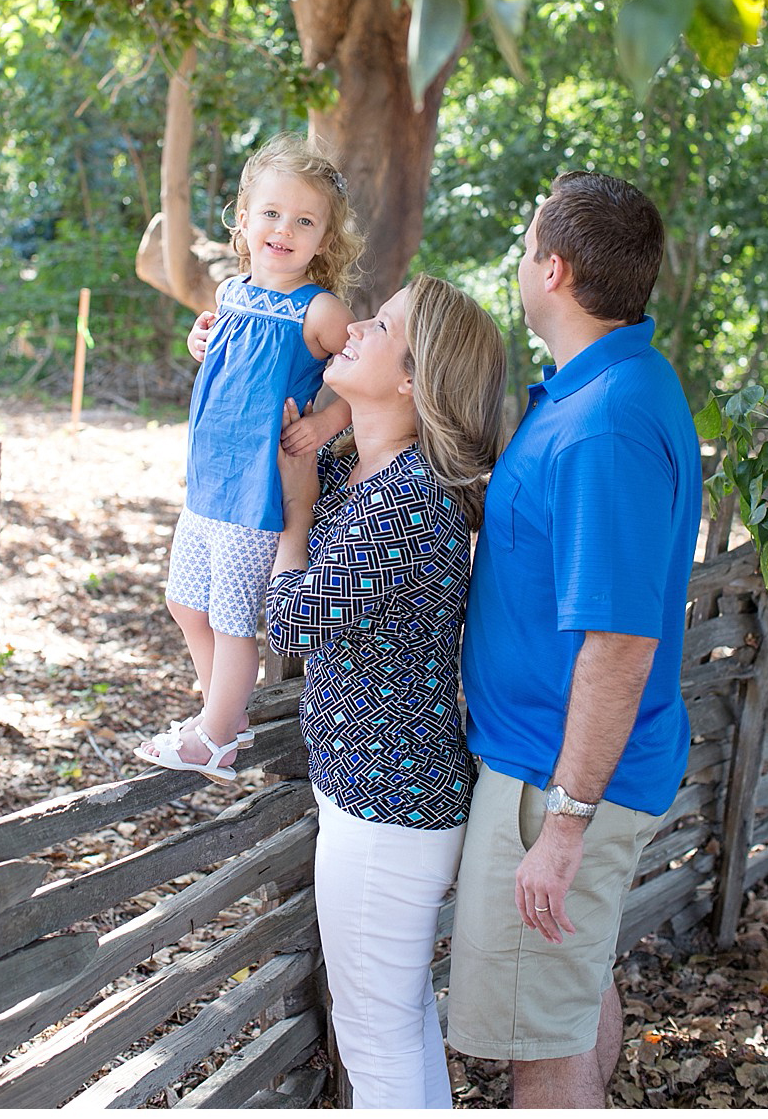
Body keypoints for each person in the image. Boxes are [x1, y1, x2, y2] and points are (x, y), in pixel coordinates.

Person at [447, 171, 703, 1109]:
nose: (520, 264)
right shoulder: (604, 384)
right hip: (551, 768)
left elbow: (622, 644)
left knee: (539, 1045)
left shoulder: (604, 427)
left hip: (554, 780)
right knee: (568, 990)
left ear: (551, 270)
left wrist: (562, 825)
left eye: (524, 248)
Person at [266, 273, 507, 1109]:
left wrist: (295, 520)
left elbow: (294, 623)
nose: (357, 326)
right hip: (378, 800)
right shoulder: (368, 475)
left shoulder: (410, 503)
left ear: (413, 379)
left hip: (389, 809)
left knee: (379, 1027)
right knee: (385, 1021)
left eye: (383, 325)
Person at [136, 135, 363, 783]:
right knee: (186, 604)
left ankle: (213, 737)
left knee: (234, 621)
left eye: (303, 221)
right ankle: (224, 718)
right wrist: (200, 339)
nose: (283, 230)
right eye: (270, 213)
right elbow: (225, 360)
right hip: (208, 483)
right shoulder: (233, 291)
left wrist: (325, 421)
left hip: (257, 491)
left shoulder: (318, 310)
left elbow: (364, 374)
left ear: (324, 239)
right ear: (242, 219)